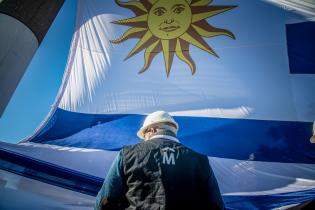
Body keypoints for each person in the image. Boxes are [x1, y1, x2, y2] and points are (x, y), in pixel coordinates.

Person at [95, 111, 225, 210]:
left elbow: (105, 200)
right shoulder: (200, 160)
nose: (143, 140)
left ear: (152, 130)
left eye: (144, 135)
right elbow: (217, 206)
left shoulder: (127, 154)